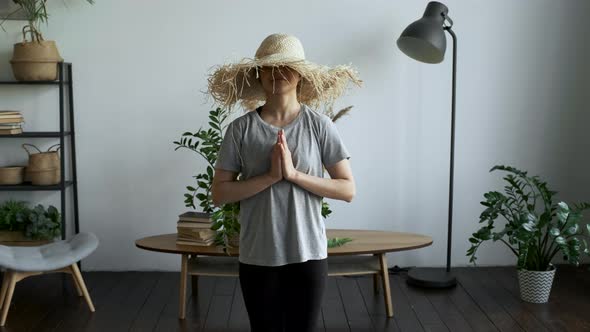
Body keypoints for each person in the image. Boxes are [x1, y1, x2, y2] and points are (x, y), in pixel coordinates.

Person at [208, 33, 361, 332]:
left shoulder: (319, 125)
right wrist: (270, 177)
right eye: (268, 67)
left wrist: (293, 175)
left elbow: (347, 189)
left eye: (285, 66)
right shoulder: (240, 130)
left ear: (300, 74)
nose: (276, 73)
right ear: (258, 74)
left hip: (309, 255)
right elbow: (220, 192)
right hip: (257, 255)